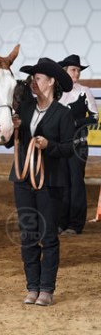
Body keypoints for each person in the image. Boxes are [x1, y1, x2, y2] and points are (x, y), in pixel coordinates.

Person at [5, 58, 75, 306]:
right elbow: (9, 142)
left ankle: (46, 288)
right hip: (23, 178)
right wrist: (13, 128)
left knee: (48, 236)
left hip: (50, 182)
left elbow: (69, 148)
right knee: (28, 234)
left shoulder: (63, 114)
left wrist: (49, 145)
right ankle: (32, 287)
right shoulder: (24, 108)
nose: (32, 82)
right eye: (32, 78)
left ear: (51, 81)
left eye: (37, 78)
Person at [57, 54, 98, 235]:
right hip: (59, 146)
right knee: (62, 182)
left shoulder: (84, 91)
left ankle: (75, 224)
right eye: (73, 70)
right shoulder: (56, 93)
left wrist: (76, 123)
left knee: (76, 182)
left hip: (78, 145)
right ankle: (61, 222)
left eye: (78, 71)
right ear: (65, 72)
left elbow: (94, 117)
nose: (77, 73)